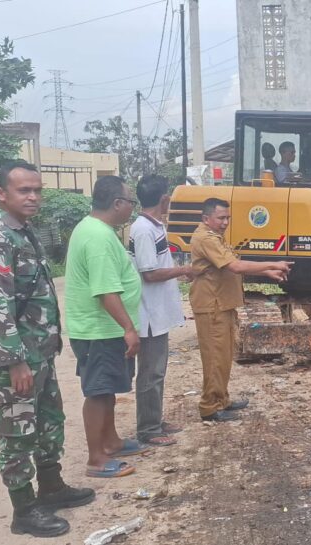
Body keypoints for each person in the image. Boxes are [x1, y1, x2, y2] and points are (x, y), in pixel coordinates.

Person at [0, 160, 95, 537]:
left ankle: (52, 486)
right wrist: (14, 363)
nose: (33, 197)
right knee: (17, 429)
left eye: (37, 190)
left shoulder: (23, 232)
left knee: (48, 421)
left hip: (39, 352)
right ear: (1, 194)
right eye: (24, 190)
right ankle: (24, 509)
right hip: (19, 358)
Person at [65, 176, 145, 479]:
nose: (131, 208)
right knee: (98, 392)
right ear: (117, 204)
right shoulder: (97, 237)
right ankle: (96, 459)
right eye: (130, 202)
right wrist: (128, 328)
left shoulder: (98, 231)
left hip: (104, 329)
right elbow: (105, 291)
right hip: (100, 330)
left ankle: (111, 442)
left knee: (108, 388)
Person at [190, 198, 292, 422]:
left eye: (228, 218)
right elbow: (235, 266)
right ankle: (209, 407)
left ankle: (221, 399)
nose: (226, 222)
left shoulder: (216, 237)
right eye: (221, 218)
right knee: (215, 358)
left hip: (221, 304)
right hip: (211, 306)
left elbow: (235, 263)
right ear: (206, 218)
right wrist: (272, 264)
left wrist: (267, 273)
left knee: (225, 356)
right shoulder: (205, 238)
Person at [129, 175, 192, 446]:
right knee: (151, 372)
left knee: (157, 371)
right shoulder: (144, 229)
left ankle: (155, 419)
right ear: (164, 199)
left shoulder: (154, 227)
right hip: (149, 313)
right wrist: (184, 270)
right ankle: (148, 429)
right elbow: (150, 273)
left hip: (158, 312)